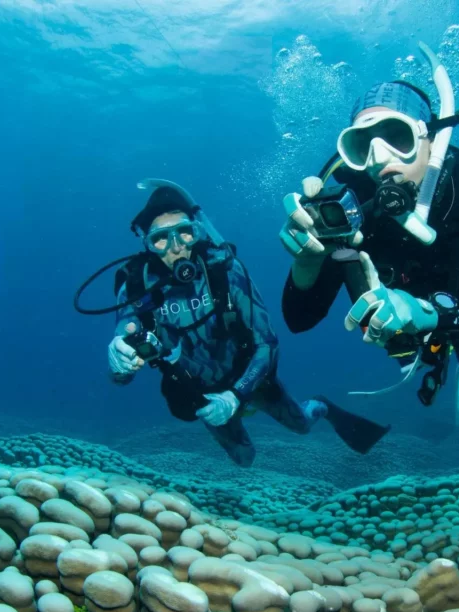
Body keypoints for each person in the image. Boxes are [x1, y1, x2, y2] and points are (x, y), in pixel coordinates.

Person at [278, 42, 459, 422]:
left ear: (431, 139)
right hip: (399, 332)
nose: (379, 157)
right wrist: (307, 264)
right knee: (407, 351)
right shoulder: (352, 213)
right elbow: (298, 321)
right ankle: (414, 355)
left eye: (396, 137)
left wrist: (431, 313)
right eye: (362, 145)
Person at [103, 179, 390, 466]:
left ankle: (321, 406)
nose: (176, 248)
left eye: (185, 233)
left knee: (302, 424)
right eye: (161, 238)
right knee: (244, 458)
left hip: (252, 379)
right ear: (148, 244)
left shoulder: (225, 270)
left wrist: (236, 395)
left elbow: (267, 342)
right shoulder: (137, 287)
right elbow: (123, 372)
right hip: (201, 393)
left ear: (197, 233)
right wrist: (119, 360)